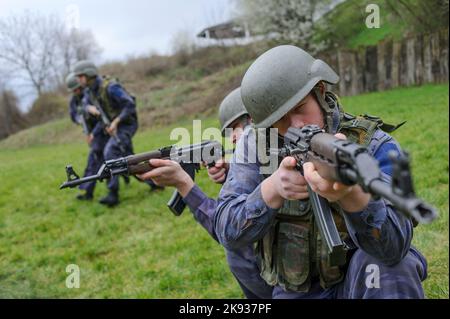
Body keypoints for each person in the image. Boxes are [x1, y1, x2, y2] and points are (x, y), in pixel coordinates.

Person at [214, 45, 427, 299]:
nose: (296, 125)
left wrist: (352, 196)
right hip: (299, 290)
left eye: (300, 108)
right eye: (281, 119)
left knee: (389, 268)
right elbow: (226, 229)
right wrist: (272, 190)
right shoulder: (255, 145)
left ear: (321, 91)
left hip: (360, 281)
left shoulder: (371, 144)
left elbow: (394, 248)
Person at [138, 88, 273, 299]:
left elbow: (229, 229)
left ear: (254, 119)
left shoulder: (271, 157)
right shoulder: (271, 152)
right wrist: (233, 170)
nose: (234, 140)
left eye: (234, 130)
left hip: (277, 279)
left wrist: (184, 185)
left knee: (238, 253)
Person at [72, 60, 161, 207]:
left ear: (89, 74)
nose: (78, 80)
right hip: (111, 126)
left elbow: (130, 105)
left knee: (110, 152)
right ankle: (155, 183)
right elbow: (84, 106)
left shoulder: (111, 87)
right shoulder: (90, 91)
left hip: (126, 125)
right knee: (129, 160)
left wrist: (116, 122)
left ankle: (113, 193)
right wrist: (90, 110)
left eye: (80, 76)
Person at [65, 72, 108, 200]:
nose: (77, 91)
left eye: (78, 88)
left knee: (122, 158)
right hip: (94, 135)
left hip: (103, 131)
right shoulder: (74, 100)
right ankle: (88, 192)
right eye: (74, 90)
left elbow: (103, 116)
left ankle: (151, 181)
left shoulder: (91, 95)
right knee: (95, 161)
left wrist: (93, 133)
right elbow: (73, 115)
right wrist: (81, 120)